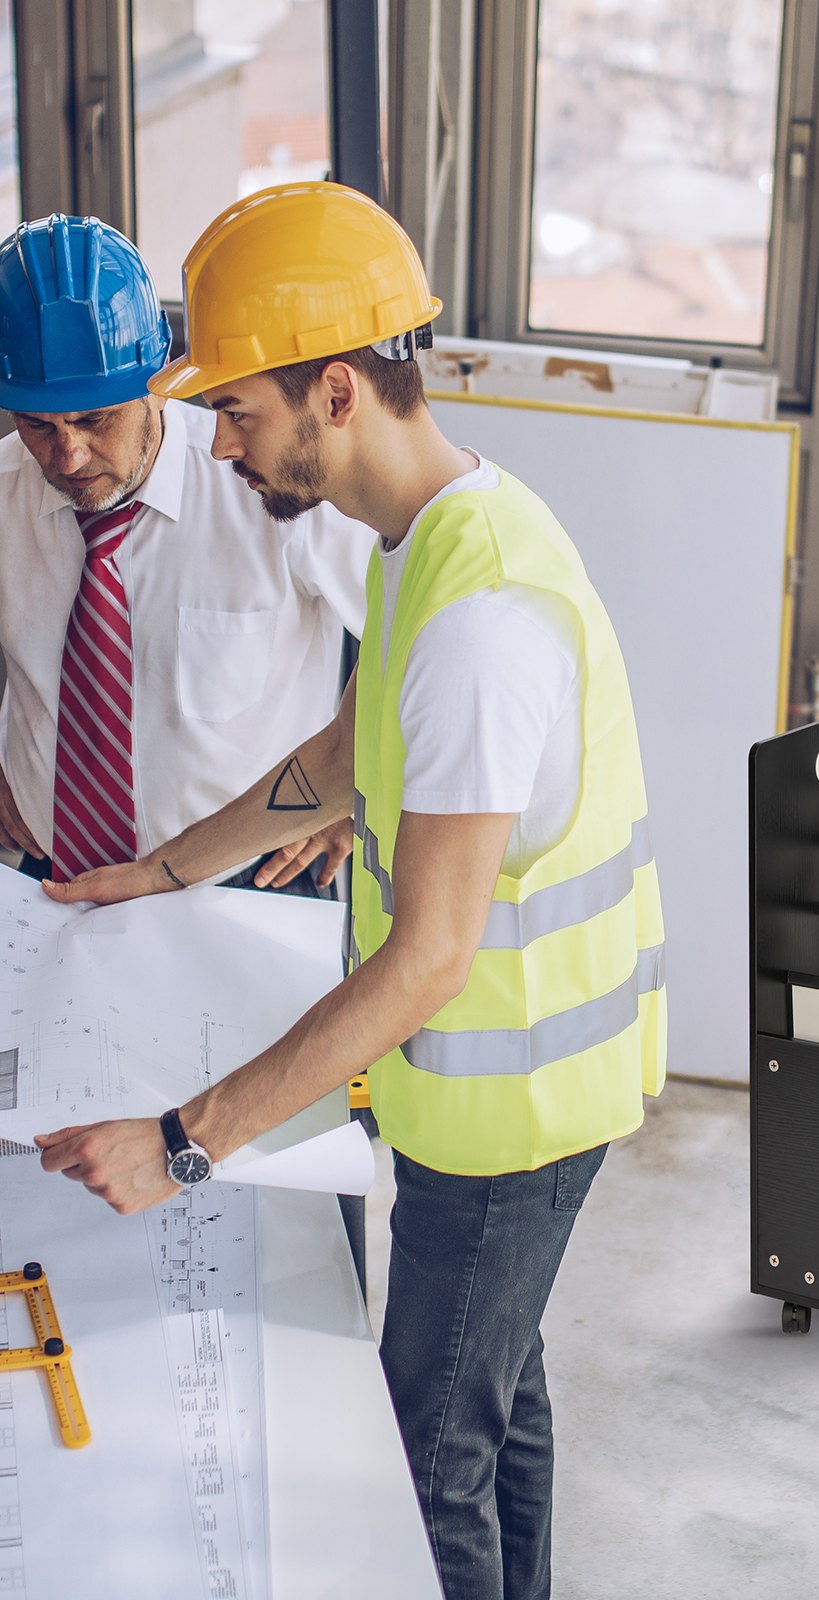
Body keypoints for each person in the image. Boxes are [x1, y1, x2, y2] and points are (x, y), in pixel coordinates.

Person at [36, 182, 667, 1600]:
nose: (222, 443)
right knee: (500, 1416)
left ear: (334, 391)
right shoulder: (433, 546)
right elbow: (345, 752)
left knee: (426, 1455)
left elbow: (429, 957)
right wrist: (166, 866)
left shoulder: (481, 621)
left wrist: (183, 1142)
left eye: (239, 410)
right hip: (488, 1108)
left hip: (507, 1124)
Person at [0, 214, 369, 894]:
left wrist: (360, 791)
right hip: (42, 876)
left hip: (240, 881)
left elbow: (412, 633)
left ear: (161, 379)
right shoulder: (4, 494)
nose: (69, 455)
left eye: (95, 418)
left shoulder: (270, 482)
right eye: (38, 426)